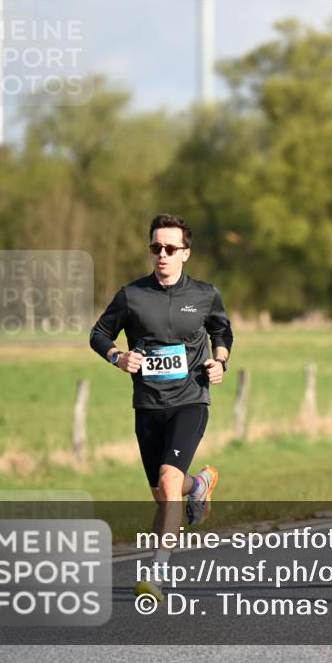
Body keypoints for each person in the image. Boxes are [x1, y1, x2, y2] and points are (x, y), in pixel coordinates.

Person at [90, 213, 233, 601]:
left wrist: (219, 361)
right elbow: (99, 333)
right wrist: (117, 357)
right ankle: (198, 485)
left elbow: (222, 329)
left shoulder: (204, 294)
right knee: (163, 491)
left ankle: (157, 572)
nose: (162, 255)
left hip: (191, 399)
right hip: (148, 404)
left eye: (170, 248)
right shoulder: (131, 296)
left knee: (169, 480)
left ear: (185, 252)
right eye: (156, 248)